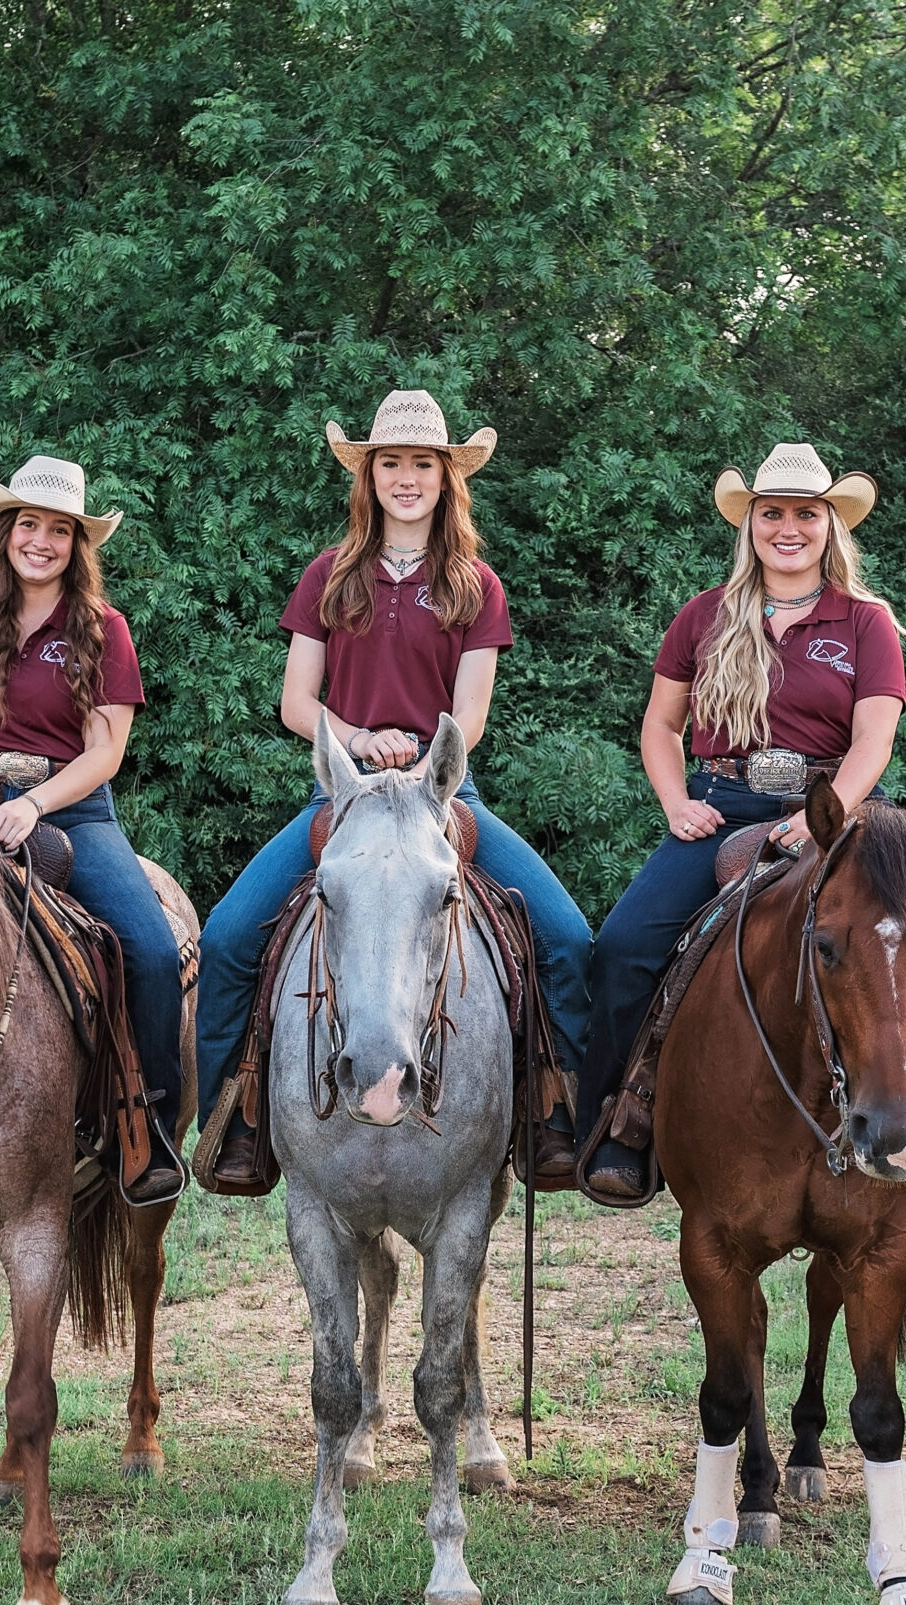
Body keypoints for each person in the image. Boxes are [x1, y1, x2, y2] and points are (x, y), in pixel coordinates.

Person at [578, 443, 906, 1210]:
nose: (788, 527)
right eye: (772, 513)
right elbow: (659, 725)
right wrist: (677, 802)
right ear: (750, 525)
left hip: (840, 814)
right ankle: (621, 1118)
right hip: (722, 803)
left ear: (830, 525)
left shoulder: (866, 622)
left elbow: (875, 738)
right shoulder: (703, 616)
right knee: (621, 946)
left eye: (805, 514)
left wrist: (827, 825)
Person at [194, 390, 594, 1190]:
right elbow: (295, 701)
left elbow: (470, 715)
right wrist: (357, 738)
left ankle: (555, 1113)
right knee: (229, 935)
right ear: (368, 475)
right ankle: (233, 1121)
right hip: (341, 799)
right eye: (390, 464)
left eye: (421, 464)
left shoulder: (476, 584)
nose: (405, 478)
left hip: (445, 798)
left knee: (568, 938)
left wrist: (421, 770)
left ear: (447, 479)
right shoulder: (329, 577)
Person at [0, 455, 185, 1204]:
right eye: (28, 525)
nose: (41, 541)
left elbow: (107, 751)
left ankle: (151, 1125)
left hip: (70, 806)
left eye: (59, 530)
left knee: (151, 949)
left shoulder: (104, 630)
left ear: (78, 545)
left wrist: (36, 804)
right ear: (4, 534)